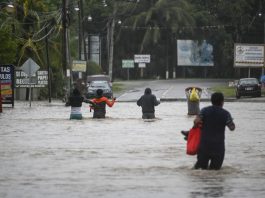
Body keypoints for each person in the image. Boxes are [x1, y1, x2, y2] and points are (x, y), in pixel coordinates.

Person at [190, 92, 235, 170]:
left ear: (211, 101)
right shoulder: (226, 114)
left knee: (199, 171)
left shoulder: (204, 111)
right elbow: (232, 128)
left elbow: (196, 122)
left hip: (204, 146)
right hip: (218, 148)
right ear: (222, 102)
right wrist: (231, 121)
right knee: (215, 172)